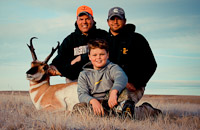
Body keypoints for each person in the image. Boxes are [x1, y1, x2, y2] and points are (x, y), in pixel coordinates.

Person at [106, 7, 161, 118]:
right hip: (109, 85)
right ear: (108, 22)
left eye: (119, 19)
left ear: (125, 21)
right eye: (112, 19)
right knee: (104, 111)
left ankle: (147, 111)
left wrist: (136, 82)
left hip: (131, 86)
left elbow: (151, 64)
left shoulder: (137, 39)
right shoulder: (104, 41)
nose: (115, 22)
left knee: (123, 113)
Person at [75, 39, 134, 117]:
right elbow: (82, 94)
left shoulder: (112, 68)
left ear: (107, 55)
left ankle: (124, 112)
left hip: (112, 101)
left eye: (102, 54)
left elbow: (121, 77)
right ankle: (104, 115)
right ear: (89, 57)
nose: (98, 57)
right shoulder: (84, 74)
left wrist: (114, 92)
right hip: (95, 103)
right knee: (78, 108)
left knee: (123, 90)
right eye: (94, 55)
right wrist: (92, 101)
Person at [49, 5, 108, 82]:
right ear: (77, 21)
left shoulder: (102, 35)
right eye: (81, 19)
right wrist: (52, 67)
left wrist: (80, 58)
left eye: (87, 19)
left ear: (92, 20)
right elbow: (59, 60)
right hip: (75, 79)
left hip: (98, 78)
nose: (84, 22)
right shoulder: (69, 40)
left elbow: (108, 55)